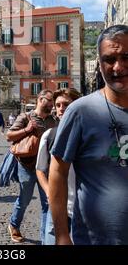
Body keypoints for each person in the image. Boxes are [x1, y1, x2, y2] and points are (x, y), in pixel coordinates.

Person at [49, 24, 128, 245]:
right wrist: (62, 235)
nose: (118, 66)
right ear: (100, 65)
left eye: (125, 57)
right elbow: (57, 172)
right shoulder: (80, 112)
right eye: (109, 59)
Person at [6, 89, 56, 243]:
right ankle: (13, 224)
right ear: (40, 100)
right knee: (25, 199)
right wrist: (26, 130)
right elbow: (9, 135)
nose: (52, 104)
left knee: (47, 202)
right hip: (27, 166)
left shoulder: (53, 121)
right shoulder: (26, 117)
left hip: (46, 168)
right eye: (50, 100)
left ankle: (44, 238)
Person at [36, 88, 81, 245]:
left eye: (66, 104)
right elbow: (40, 169)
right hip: (58, 207)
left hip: (85, 209)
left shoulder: (89, 134)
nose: (61, 108)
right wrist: (49, 191)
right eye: (58, 105)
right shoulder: (49, 135)